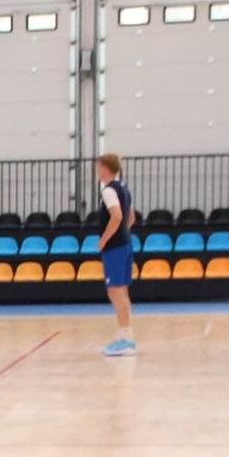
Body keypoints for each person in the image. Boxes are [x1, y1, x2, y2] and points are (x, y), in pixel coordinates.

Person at [96, 153, 138, 357]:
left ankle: (125, 341)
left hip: (115, 246)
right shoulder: (125, 189)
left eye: (98, 167)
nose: (96, 171)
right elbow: (131, 217)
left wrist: (105, 239)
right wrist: (123, 232)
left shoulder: (108, 190)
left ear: (105, 168)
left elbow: (118, 216)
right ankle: (127, 337)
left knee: (114, 291)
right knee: (121, 291)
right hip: (126, 243)